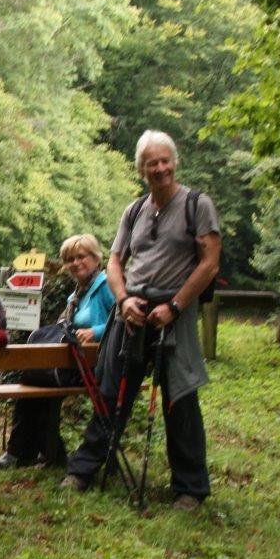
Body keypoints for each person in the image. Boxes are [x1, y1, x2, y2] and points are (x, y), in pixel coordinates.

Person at [62, 130, 220, 510]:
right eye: (153, 164)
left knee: (179, 399)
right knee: (110, 391)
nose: (161, 168)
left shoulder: (197, 205)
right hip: (130, 311)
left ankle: (190, 489)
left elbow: (210, 263)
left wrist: (177, 306)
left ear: (175, 162)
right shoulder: (133, 211)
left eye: (166, 161)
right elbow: (115, 261)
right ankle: (84, 470)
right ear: (141, 170)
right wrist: (122, 299)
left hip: (173, 313)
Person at [0, 233, 115, 470]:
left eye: (81, 257)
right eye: (69, 259)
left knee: (37, 378)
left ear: (96, 258)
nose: (75, 263)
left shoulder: (107, 286)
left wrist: (96, 332)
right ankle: (41, 452)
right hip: (73, 363)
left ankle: (24, 452)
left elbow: (121, 321)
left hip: (97, 365)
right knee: (36, 378)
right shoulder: (75, 295)